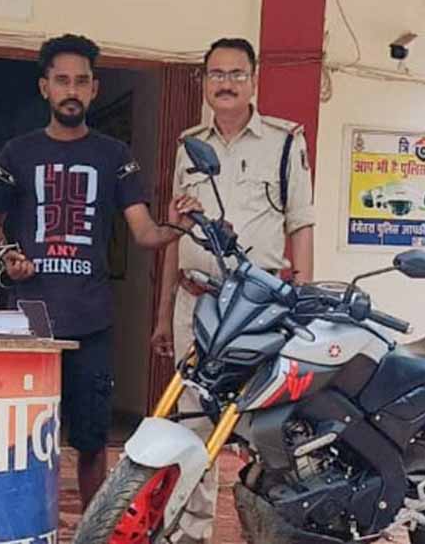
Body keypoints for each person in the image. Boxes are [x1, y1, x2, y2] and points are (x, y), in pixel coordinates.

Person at [0, 34, 201, 511]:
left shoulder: (114, 156)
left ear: (95, 89)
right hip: (31, 323)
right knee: (23, 442)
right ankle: (25, 528)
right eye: (62, 81)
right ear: (44, 87)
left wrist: (177, 228)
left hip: (91, 321)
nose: (71, 90)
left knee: (93, 442)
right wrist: (8, 255)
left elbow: (145, 232)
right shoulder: (17, 153)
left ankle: (92, 529)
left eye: (81, 81)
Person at [151, 37, 316, 543]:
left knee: (263, 423)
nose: (226, 83)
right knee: (193, 422)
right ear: (204, 82)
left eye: (236, 73)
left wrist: (303, 306)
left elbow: (300, 224)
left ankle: (265, 530)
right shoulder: (188, 144)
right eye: (216, 74)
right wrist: (163, 313)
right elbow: (177, 232)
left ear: (254, 80)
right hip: (195, 301)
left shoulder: (285, 141)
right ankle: (191, 533)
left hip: (257, 309)